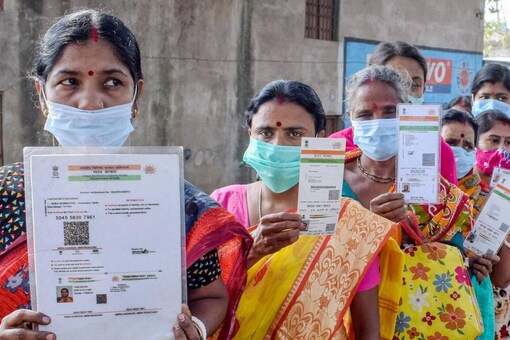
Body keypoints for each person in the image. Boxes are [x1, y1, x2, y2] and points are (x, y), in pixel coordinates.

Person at [0, 9, 252, 340]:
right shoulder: (6, 193)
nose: (90, 102)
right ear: (42, 96)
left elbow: (210, 296)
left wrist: (198, 329)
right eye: (70, 82)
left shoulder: (177, 201)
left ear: (137, 95)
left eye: (112, 82)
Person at [212, 80, 400, 339]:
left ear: (319, 140)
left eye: (295, 133)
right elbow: (197, 298)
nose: (279, 146)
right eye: (266, 133)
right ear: (250, 136)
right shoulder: (220, 206)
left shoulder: (350, 222)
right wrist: (251, 253)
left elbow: (369, 333)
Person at [342, 65, 497, 338]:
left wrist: (472, 267)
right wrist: (368, 227)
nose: (378, 121)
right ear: (350, 118)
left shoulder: (435, 188)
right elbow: (309, 252)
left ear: (407, 113)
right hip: (343, 322)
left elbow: (452, 258)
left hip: (422, 321)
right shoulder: (328, 178)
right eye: (365, 114)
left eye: (390, 111)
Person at [330, 41, 458, 184]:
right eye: (393, 79)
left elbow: (447, 204)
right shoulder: (335, 147)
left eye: (414, 85)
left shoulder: (438, 152)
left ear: (424, 88)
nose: (405, 92)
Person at [440, 109, 504, 339]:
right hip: (426, 296)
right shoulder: (418, 196)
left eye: (468, 145)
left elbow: (499, 274)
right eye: (450, 142)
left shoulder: (486, 199)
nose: (459, 149)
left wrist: (485, 265)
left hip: (474, 301)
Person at [471, 109, 510, 339]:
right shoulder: (461, 194)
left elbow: (502, 277)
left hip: (500, 310)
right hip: (464, 301)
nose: (502, 150)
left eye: (508, 142)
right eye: (493, 141)